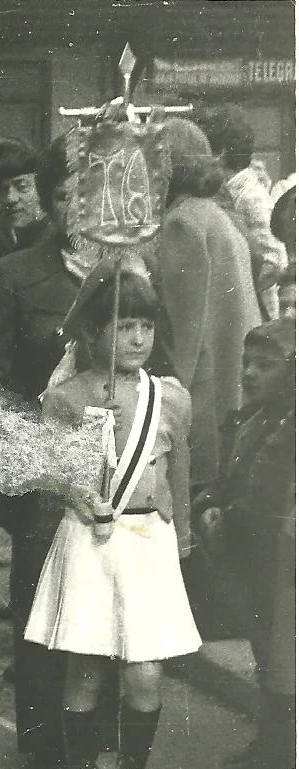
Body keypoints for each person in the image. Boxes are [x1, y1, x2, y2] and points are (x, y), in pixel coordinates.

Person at [24, 256, 199, 769]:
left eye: (146, 326)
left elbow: (179, 471)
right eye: (124, 326)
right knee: (88, 666)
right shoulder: (67, 396)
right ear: (93, 332)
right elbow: (48, 474)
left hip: (148, 541)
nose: (138, 338)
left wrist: (183, 539)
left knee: (146, 673)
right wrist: (81, 492)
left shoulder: (170, 397)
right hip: (91, 539)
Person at [0, 133, 80, 769]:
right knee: (40, 593)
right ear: (52, 201)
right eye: (70, 196)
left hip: (115, 465)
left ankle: (99, 730)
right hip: (43, 459)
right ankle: (42, 735)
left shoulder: (135, 274)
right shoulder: (19, 272)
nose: (84, 208)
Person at [197, 319, 295, 769]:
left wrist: (229, 515)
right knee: (265, 651)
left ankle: (280, 755)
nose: (251, 374)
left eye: (266, 366)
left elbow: (268, 491)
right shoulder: (250, 417)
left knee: (282, 656)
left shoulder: (288, 427)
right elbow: (227, 475)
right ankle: (272, 747)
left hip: (278, 555)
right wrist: (209, 504)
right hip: (250, 554)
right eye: (247, 364)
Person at [154, 117, 261, 493]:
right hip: (235, 382)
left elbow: (185, 334)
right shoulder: (215, 214)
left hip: (206, 394)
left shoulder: (181, 223)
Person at [195, 106, 287, 319]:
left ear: (220, 153)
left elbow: (277, 261)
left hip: (260, 312)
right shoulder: (232, 189)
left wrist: (239, 287)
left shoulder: (250, 196)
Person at [0, 139, 49, 276]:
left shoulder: (60, 230)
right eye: (2, 189)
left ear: (41, 186)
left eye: (22, 187)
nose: (10, 198)